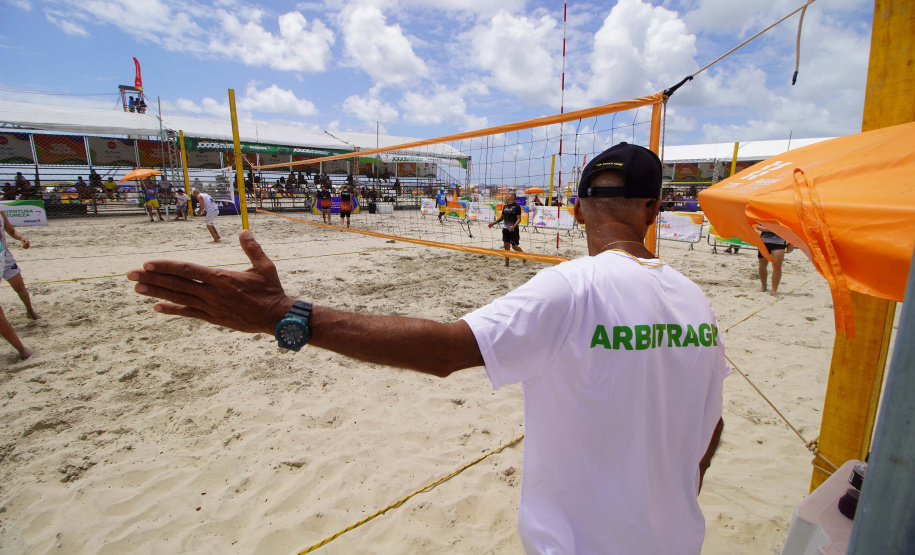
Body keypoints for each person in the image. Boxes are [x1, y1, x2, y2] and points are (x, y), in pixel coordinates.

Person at [127, 142, 727, 554]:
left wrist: (288, 316)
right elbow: (712, 427)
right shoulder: (697, 301)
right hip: (677, 537)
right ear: (654, 208)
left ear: (575, 208)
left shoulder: (571, 286)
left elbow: (444, 351)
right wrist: (673, 484)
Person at [1, 211, 36, 360]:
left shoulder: (0, 212)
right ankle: (22, 350)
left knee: (21, 289)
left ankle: (30, 312)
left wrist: (21, 238)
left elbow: (11, 231)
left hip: (5, 257)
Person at [488, 191, 525, 267]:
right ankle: (507, 263)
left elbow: (519, 219)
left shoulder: (517, 207)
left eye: (509, 194)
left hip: (513, 229)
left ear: (513, 197)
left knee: (514, 247)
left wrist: (514, 226)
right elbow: (502, 217)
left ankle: (524, 256)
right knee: (506, 246)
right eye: (507, 194)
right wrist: (493, 223)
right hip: (506, 229)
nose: (507, 195)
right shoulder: (505, 206)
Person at [756, 225, 793, 296]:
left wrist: (791, 243)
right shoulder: (764, 215)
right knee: (762, 265)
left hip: (779, 242)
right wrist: (771, 229)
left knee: (777, 265)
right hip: (764, 241)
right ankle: (763, 286)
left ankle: (774, 289)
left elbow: (791, 228)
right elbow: (757, 226)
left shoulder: (784, 215)